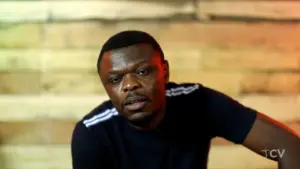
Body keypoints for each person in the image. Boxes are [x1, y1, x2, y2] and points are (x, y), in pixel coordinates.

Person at [71, 30, 300, 169]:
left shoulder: (197, 103)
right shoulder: (92, 134)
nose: (130, 85)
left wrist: (281, 154)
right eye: (115, 79)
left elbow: (287, 149)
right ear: (106, 87)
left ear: (165, 72)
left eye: (143, 72)